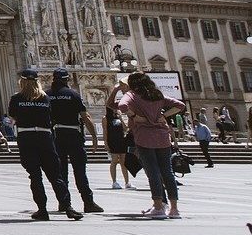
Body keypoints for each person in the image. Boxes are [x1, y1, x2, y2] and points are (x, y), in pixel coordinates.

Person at [9, 69, 81, 221]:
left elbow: (13, 115)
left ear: (21, 81)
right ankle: (68, 207)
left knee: (35, 176)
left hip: (26, 136)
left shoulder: (16, 98)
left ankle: (42, 209)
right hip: (45, 137)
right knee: (55, 175)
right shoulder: (45, 98)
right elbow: (50, 116)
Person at [110, 73, 185, 219]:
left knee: (153, 173)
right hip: (163, 138)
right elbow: (180, 105)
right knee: (167, 173)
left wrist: (135, 116)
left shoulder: (133, 95)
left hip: (144, 138)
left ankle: (158, 207)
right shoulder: (156, 94)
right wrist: (163, 116)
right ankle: (174, 209)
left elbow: (122, 105)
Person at [47, 68, 102, 213]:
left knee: (61, 172)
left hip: (55, 136)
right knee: (80, 171)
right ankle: (88, 202)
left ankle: (64, 203)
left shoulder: (47, 95)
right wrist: (94, 137)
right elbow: (85, 117)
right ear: (67, 80)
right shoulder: (73, 94)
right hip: (73, 135)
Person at [103, 105, 132, 189]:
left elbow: (125, 128)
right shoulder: (105, 118)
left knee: (123, 162)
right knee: (114, 161)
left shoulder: (119, 117)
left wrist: (121, 118)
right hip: (112, 141)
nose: (116, 110)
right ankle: (114, 182)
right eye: (114, 108)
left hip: (121, 141)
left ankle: (127, 182)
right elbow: (105, 131)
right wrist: (106, 143)